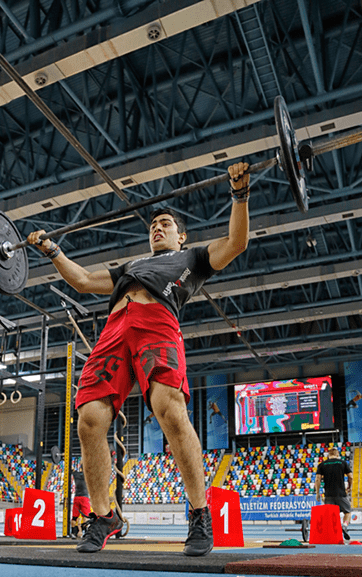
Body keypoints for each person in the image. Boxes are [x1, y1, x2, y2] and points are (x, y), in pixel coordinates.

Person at [28, 162, 250, 556]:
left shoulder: (192, 259)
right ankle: (104, 516)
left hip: (156, 324)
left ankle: (200, 514)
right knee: (89, 420)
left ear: (181, 235)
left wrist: (239, 193)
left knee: (170, 410)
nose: (157, 227)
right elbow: (81, 281)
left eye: (165, 223)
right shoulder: (129, 267)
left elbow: (235, 243)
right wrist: (53, 250)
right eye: (153, 225)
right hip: (114, 331)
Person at [315, 446, 353, 540]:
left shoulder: (322, 464)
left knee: (330, 516)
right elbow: (351, 477)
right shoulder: (342, 463)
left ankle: (331, 536)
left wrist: (317, 493)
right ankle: (344, 525)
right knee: (347, 512)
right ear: (337, 454)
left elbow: (317, 479)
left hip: (328, 495)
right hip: (341, 493)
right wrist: (349, 487)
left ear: (329, 455)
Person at [70, 462, 91, 539]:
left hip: (76, 497)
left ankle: (73, 533)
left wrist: (64, 457)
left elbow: (71, 468)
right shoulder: (88, 475)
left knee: (74, 517)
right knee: (85, 516)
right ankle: (85, 533)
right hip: (84, 498)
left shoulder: (76, 474)